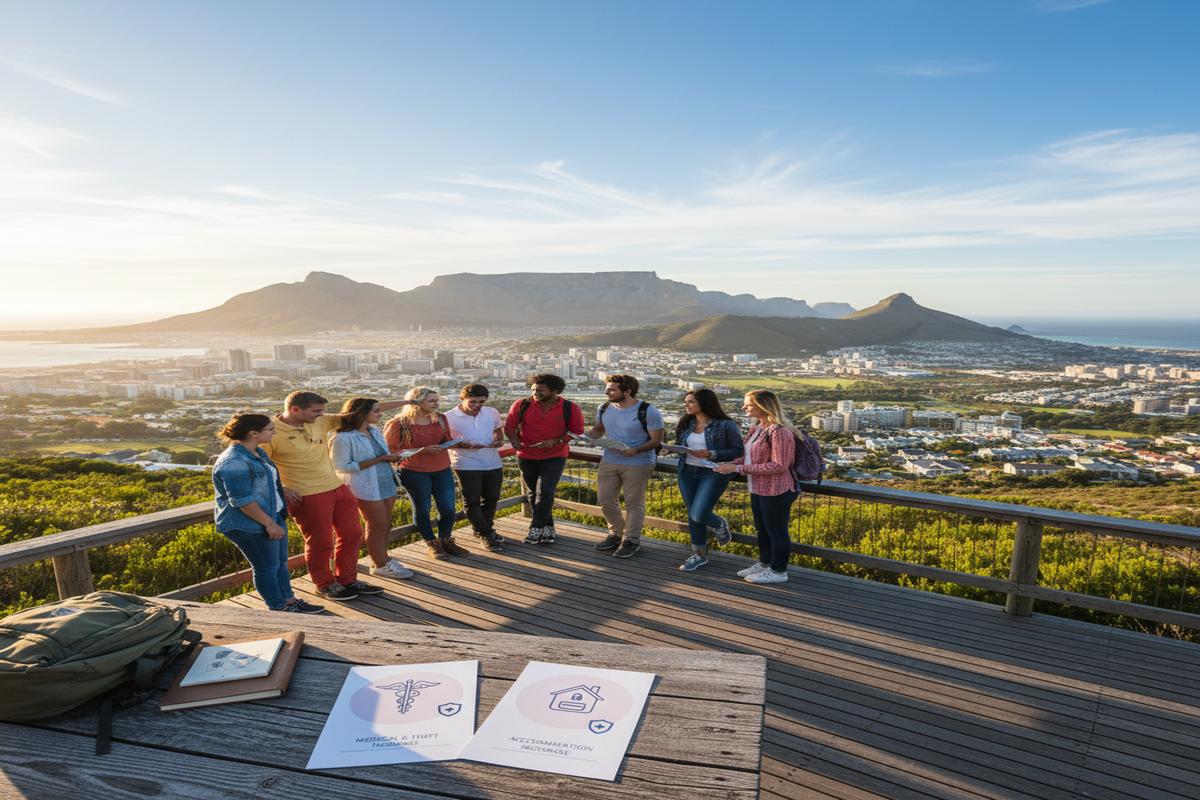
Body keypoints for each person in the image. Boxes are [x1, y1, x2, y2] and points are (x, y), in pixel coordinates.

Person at [262, 390, 403, 602]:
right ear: (295, 409)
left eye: (321, 411)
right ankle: (324, 584)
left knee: (353, 534)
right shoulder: (272, 432)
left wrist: (410, 401)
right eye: (315, 411)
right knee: (321, 542)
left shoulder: (319, 421)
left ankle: (347, 579)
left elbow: (362, 411)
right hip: (307, 494)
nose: (320, 415)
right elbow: (262, 466)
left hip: (337, 487)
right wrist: (281, 487)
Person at [212, 413, 324, 613]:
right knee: (266, 567)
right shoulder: (233, 462)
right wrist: (269, 524)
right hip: (249, 523)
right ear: (253, 433)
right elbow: (242, 501)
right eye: (270, 429)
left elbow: (267, 484)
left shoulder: (257, 453)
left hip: (271, 517)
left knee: (280, 563)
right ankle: (278, 606)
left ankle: (288, 600)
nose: (275, 432)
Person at [715, 390, 797, 584]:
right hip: (758, 487)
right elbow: (747, 456)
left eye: (748, 405)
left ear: (763, 406)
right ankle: (765, 563)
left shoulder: (779, 431)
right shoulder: (757, 428)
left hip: (776, 490)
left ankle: (778, 571)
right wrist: (727, 465)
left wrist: (739, 468)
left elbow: (779, 465)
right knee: (762, 529)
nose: (744, 408)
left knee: (776, 531)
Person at [330, 397, 415, 580]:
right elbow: (342, 466)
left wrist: (392, 457)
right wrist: (381, 459)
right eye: (375, 411)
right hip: (365, 486)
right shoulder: (343, 438)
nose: (380, 413)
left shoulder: (374, 431)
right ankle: (381, 564)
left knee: (385, 524)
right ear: (361, 413)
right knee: (377, 524)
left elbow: (382, 455)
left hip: (385, 481)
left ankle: (383, 558)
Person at [385, 386, 469, 559]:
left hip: (441, 468)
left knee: (448, 509)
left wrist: (457, 443)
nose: (436, 403)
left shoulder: (440, 418)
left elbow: (445, 440)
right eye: (431, 400)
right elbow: (392, 452)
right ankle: (432, 543)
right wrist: (422, 450)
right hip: (413, 471)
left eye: (437, 400)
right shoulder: (398, 424)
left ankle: (446, 540)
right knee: (423, 509)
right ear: (416, 402)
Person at [589, 374, 665, 559]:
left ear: (627, 391)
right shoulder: (605, 407)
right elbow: (598, 430)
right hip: (610, 459)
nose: (607, 392)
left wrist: (637, 450)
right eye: (607, 388)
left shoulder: (648, 411)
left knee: (634, 503)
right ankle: (616, 533)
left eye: (612, 389)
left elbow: (657, 440)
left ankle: (631, 540)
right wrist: (582, 437)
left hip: (638, 462)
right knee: (605, 499)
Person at [504, 373, 585, 544]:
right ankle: (548, 528)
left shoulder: (570, 408)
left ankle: (535, 528)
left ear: (555, 391)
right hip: (527, 455)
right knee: (534, 493)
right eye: (533, 389)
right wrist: (514, 441)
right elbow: (509, 427)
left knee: (546, 492)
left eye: (541, 390)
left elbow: (576, 431)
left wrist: (557, 441)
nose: (535, 393)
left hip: (555, 455)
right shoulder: (522, 405)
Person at [672, 388, 744, 572]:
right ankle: (699, 555)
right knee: (692, 515)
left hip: (712, 472)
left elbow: (738, 451)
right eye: (686, 401)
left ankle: (719, 524)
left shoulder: (726, 425)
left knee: (699, 513)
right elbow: (681, 445)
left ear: (704, 403)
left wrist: (712, 453)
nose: (686, 405)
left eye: (691, 402)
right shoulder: (686, 423)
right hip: (687, 471)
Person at [445, 384, 506, 551]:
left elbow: (497, 430)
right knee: (472, 501)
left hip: (492, 460)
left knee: (492, 498)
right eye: (472, 402)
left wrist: (499, 440)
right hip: (465, 462)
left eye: (481, 402)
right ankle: (485, 534)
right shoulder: (448, 417)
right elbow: (443, 441)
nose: (477, 406)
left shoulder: (491, 412)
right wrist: (459, 444)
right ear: (462, 398)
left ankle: (485, 530)